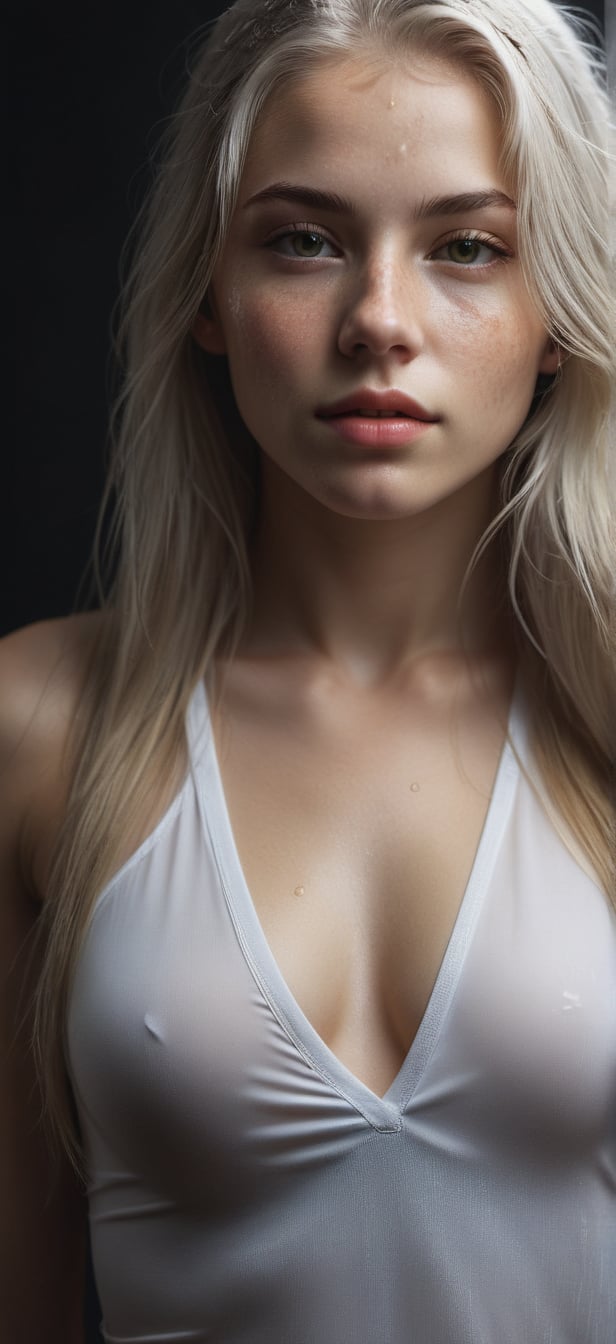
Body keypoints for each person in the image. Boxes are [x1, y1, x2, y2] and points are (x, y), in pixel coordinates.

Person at [2, 0, 614, 1339]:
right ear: (209, 296)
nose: (380, 320)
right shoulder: (37, 729)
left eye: (467, 247)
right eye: (305, 241)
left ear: (558, 307)